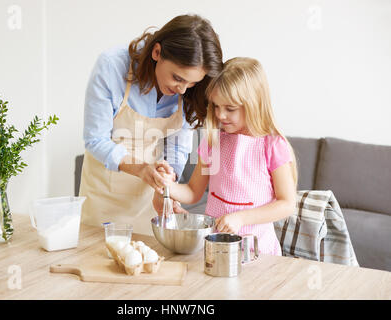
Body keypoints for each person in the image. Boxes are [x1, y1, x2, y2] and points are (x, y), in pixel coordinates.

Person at [79, 14, 223, 235]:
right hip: (102, 198)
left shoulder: (188, 91)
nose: (183, 89)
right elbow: (95, 139)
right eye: (177, 78)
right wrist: (141, 169)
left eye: (192, 83)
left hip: (148, 200)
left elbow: (178, 148)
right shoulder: (111, 66)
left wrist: (166, 184)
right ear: (157, 52)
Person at [162, 57, 298, 255]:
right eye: (216, 106)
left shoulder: (272, 145)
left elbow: (286, 204)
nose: (220, 115)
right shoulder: (212, 141)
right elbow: (193, 192)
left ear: (254, 104)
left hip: (259, 253)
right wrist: (166, 185)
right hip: (217, 251)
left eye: (230, 108)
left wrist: (241, 218)